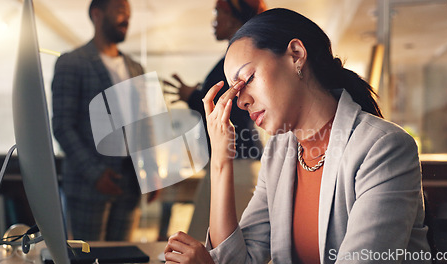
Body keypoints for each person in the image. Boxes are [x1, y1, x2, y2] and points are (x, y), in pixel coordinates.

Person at [164, 8, 431, 263]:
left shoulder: (383, 147)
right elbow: (240, 259)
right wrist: (221, 160)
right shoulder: (280, 152)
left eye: (247, 79)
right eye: (235, 91)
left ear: (295, 54)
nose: (241, 101)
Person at [162, 0, 267, 242]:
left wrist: (193, 96)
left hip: (237, 162)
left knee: (216, 243)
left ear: (233, 17)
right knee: (206, 238)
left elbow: (230, 105)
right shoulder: (234, 58)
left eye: (218, 12)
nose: (214, 20)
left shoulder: (241, 58)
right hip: (231, 160)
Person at [52, 0, 153, 241]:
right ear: (97, 14)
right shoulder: (72, 62)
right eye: (119, 10)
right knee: (88, 256)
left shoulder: (135, 67)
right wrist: (95, 174)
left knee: (124, 257)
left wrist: (151, 170)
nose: (127, 18)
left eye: (128, 12)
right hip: (89, 185)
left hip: (131, 185)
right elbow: (62, 125)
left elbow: (145, 123)